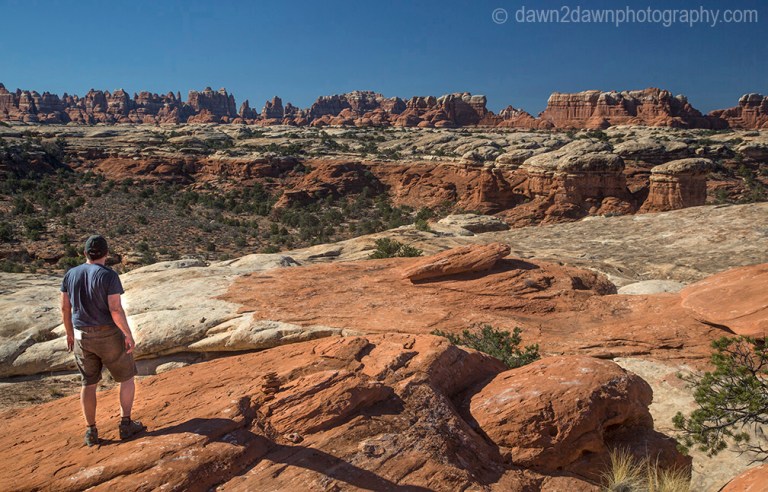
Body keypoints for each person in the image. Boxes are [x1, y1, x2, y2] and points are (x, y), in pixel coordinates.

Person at [61, 235, 146, 447]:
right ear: (106, 254)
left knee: (88, 383)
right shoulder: (108, 275)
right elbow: (115, 309)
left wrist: (69, 332)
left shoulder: (70, 274)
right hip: (107, 333)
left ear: (85, 254)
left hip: (81, 334)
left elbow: (65, 307)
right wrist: (127, 334)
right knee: (126, 377)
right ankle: (126, 424)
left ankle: (91, 431)